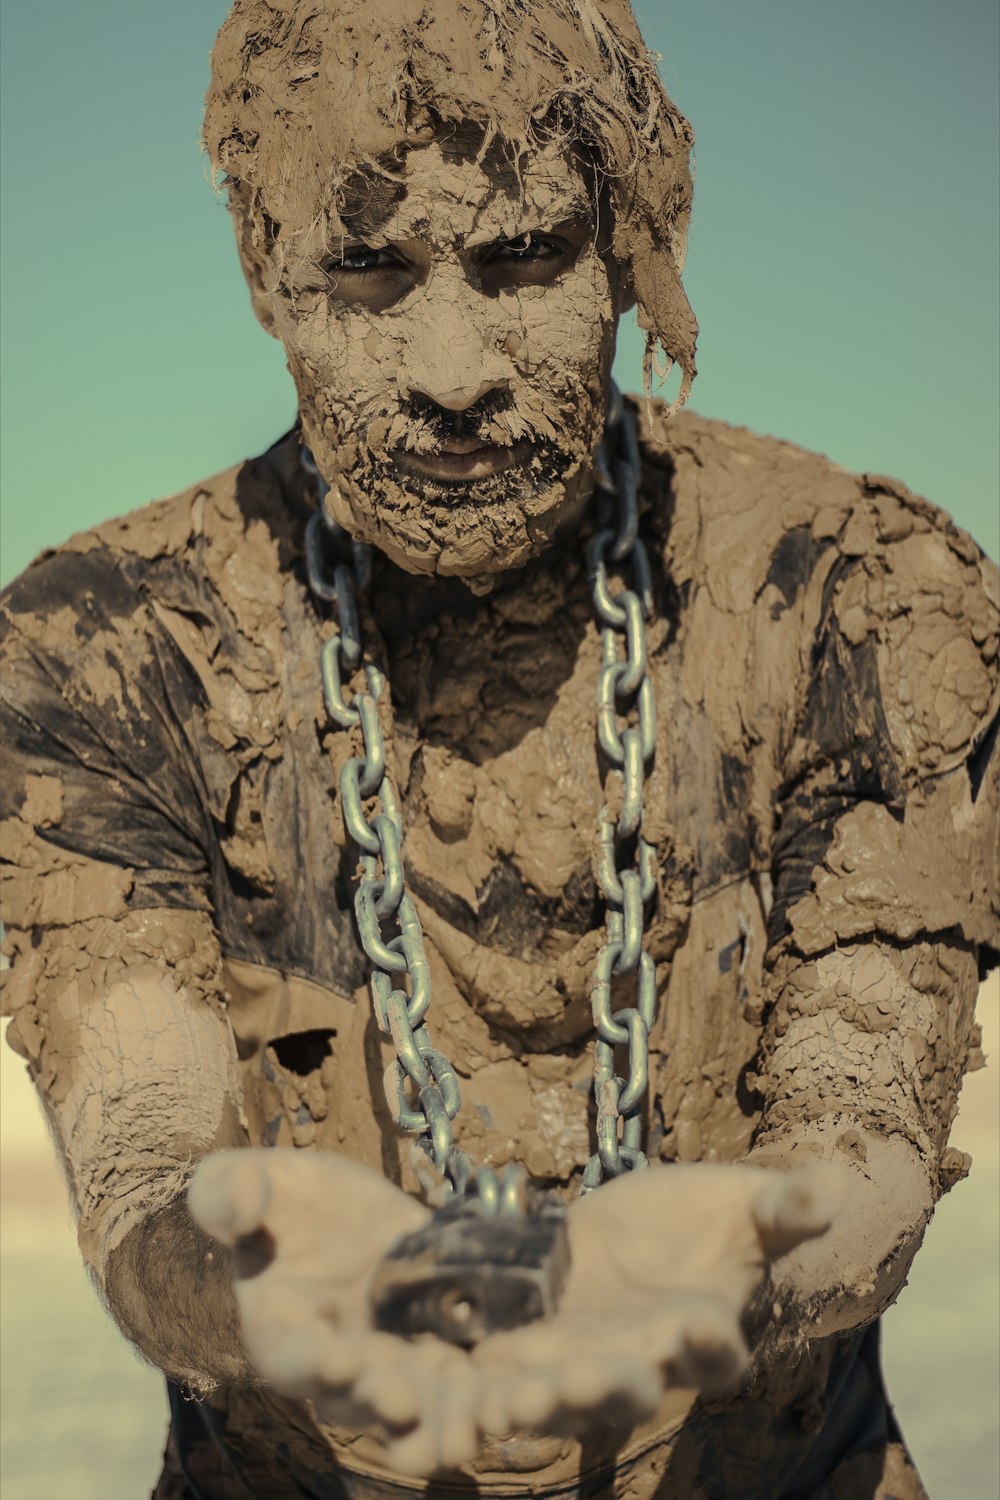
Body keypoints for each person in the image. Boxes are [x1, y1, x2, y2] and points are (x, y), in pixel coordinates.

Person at [1, 1, 996, 1496]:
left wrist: (759, 1265)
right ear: (264, 282)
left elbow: (868, 1118)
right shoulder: (103, 644)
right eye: (366, 268)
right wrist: (239, 1292)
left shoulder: (865, 593)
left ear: (630, 256)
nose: (451, 369)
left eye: (525, 256)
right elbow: (143, 1142)